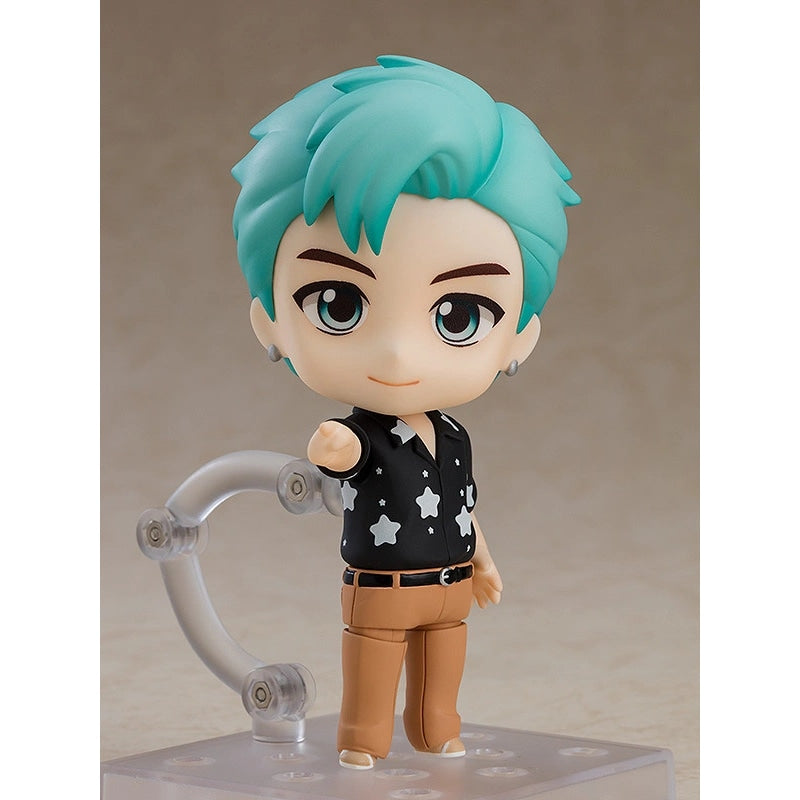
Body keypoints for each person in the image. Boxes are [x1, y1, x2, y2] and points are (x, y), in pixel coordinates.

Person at [232, 55, 579, 769]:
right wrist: (330, 448)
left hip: (449, 584)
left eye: (458, 315)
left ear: (520, 337)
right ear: (270, 321)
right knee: (374, 669)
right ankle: (363, 744)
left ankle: (438, 733)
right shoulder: (363, 435)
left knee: (442, 675)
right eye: (339, 303)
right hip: (382, 589)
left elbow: (464, 503)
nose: (396, 353)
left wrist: (482, 559)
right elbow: (338, 452)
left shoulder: (453, 435)